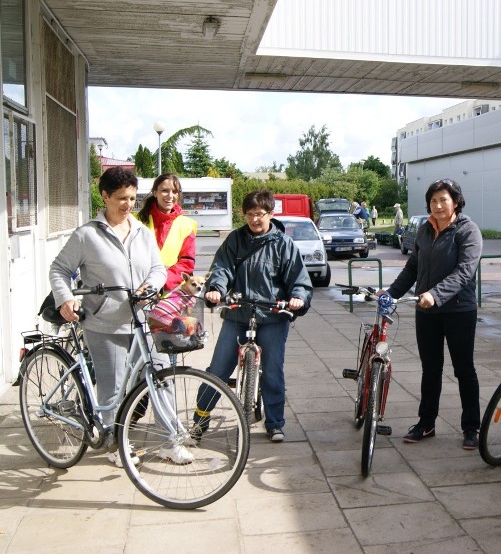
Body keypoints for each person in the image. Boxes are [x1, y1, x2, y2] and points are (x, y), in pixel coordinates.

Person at [48, 167, 181, 467]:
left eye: (133, 198)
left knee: (160, 379)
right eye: (121, 198)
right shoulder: (86, 235)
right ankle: (113, 445)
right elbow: (58, 269)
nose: (128, 204)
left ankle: (171, 442)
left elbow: (158, 269)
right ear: (104, 196)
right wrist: (66, 297)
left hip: (144, 321)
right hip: (104, 323)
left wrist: (153, 283)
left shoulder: (142, 232)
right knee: (113, 387)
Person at [199, 190, 313, 442]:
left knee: (273, 370)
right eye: (249, 215)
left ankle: (274, 423)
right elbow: (221, 268)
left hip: (272, 315)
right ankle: (200, 418)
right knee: (218, 368)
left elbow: (299, 280)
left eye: (260, 214)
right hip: (238, 313)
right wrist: (216, 289)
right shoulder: (235, 240)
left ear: (271, 214)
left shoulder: (284, 244)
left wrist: (298, 297)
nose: (254, 220)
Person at [385, 178, 483, 450]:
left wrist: (436, 295)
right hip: (426, 311)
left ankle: (471, 427)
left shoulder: (468, 231)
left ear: (455, 202)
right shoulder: (425, 231)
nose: (438, 205)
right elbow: (412, 268)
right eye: (433, 200)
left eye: (444, 200)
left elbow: (464, 272)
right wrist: (391, 293)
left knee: (464, 370)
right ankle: (426, 423)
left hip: (459, 311)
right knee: (430, 370)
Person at [136, 173, 197, 292]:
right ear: (155, 192)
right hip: (138, 290)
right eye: (165, 191)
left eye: (175, 192)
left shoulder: (187, 225)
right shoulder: (136, 221)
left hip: (169, 294)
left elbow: (186, 263)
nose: (170, 196)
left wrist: (159, 284)